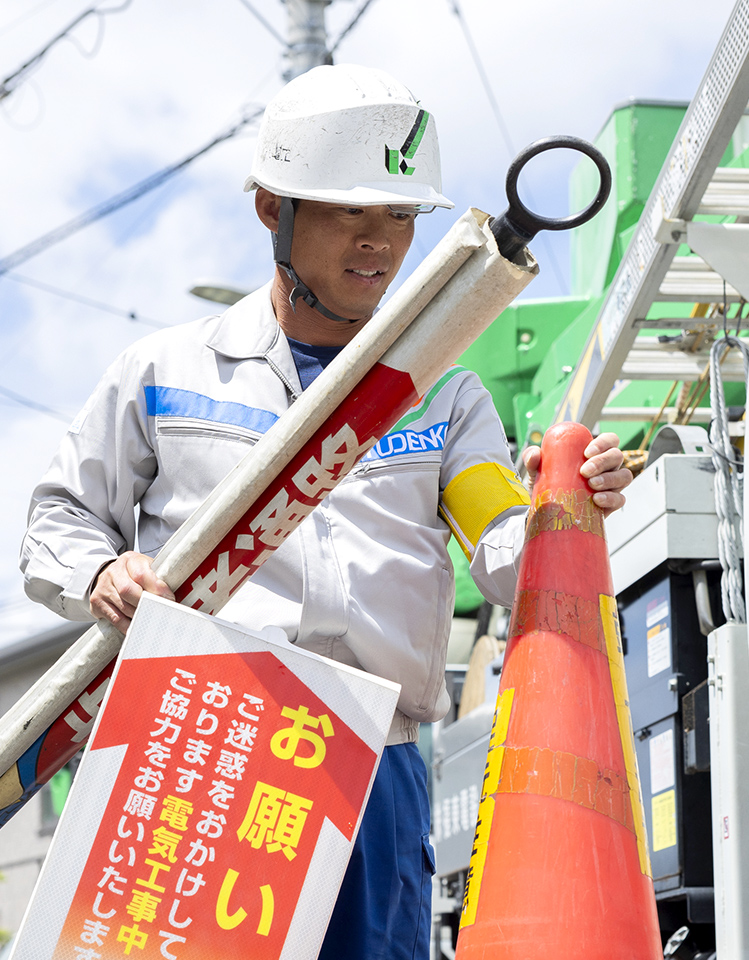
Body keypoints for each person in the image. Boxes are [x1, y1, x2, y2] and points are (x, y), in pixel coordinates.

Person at [21, 64, 631, 960]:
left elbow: (504, 557)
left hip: (373, 768)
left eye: (398, 217)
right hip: (203, 748)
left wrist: (558, 505)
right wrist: (104, 572)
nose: (379, 242)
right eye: (350, 212)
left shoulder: (441, 397)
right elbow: (61, 519)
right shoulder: (166, 373)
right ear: (273, 210)